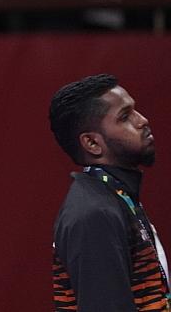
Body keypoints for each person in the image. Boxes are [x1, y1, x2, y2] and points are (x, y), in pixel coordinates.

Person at [49, 73, 165, 310]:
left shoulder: (115, 197)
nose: (142, 120)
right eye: (125, 117)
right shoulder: (94, 213)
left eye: (135, 110)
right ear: (92, 143)